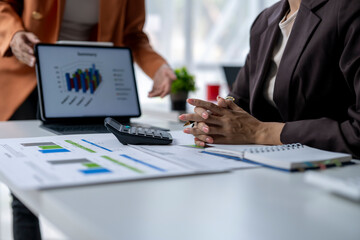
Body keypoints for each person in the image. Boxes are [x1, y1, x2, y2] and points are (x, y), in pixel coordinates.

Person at [0, 0, 175, 239]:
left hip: (94, 81)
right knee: (26, 191)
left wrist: (157, 66)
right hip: (29, 76)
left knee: (113, 177)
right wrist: (14, 34)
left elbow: (133, 35)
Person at [180, 0, 360, 159]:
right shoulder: (265, 21)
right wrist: (214, 118)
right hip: (267, 166)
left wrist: (261, 132)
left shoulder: (349, 8)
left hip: (334, 172)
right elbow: (239, 99)